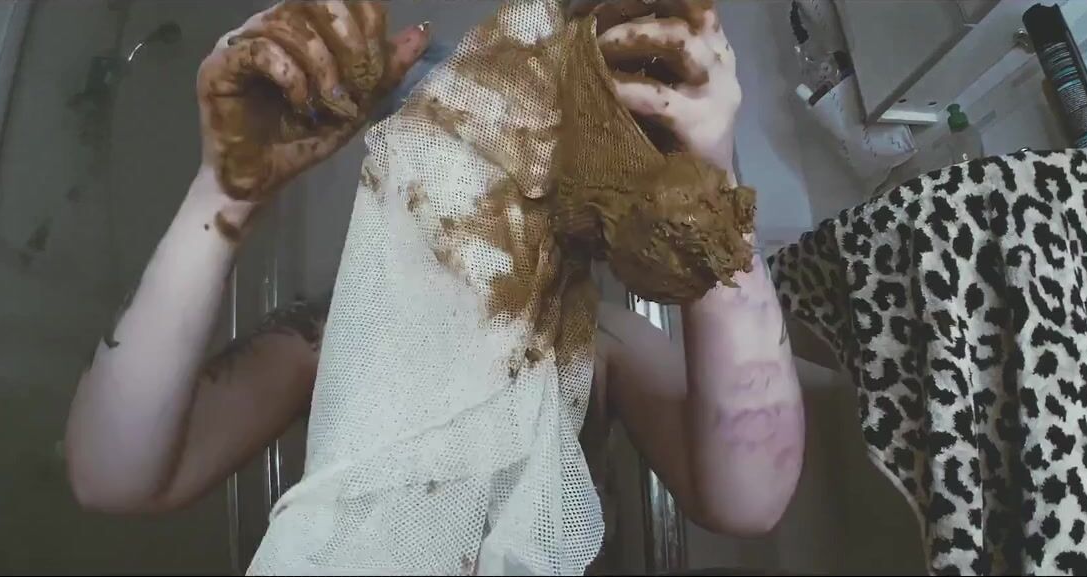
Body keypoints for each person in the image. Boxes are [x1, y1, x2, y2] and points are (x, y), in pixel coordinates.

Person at [65, 0, 817, 560]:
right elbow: (113, 476)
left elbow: (747, 499)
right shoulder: (333, 342)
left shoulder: (596, 344)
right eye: (449, 163)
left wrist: (706, 181)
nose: (485, 203)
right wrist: (225, 193)